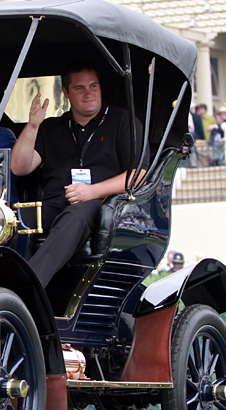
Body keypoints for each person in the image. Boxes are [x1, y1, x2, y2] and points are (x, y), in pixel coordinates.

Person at [11, 60, 146, 287]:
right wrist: (33, 127)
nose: (88, 94)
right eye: (79, 88)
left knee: (75, 215)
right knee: (8, 219)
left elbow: (138, 175)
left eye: (93, 86)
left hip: (101, 204)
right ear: (66, 92)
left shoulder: (122, 121)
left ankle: (27, 287)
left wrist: (92, 191)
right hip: (55, 202)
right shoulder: (52, 128)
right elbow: (19, 167)